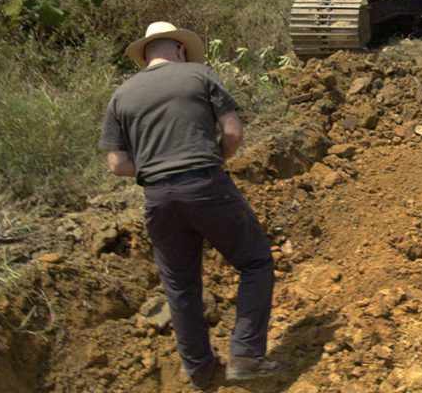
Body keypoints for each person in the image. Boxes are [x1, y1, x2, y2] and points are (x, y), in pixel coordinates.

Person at [99, 22, 285, 389]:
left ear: (146, 57)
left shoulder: (121, 95)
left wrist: (154, 167)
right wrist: (215, 157)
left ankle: (199, 371)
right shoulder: (198, 75)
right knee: (256, 262)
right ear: (181, 50)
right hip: (205, 185)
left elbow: (117, 165)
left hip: (157, 198)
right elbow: (232, 132)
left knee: (180, 287)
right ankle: (245, 354)